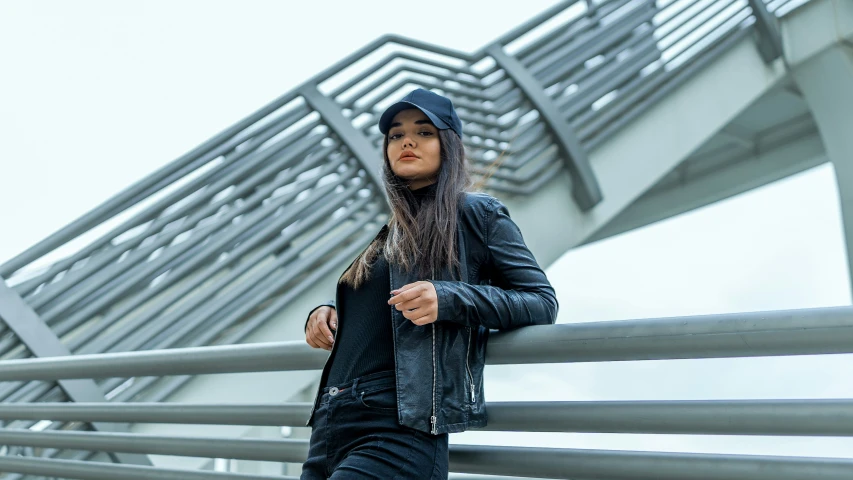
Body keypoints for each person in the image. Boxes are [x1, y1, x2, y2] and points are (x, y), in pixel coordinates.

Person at [300, 88, 557, 479]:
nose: (406, 141)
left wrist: (449, 297)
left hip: (398, 428)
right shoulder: (391, 231)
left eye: (424, 132)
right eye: (395, 134)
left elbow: (541, 302)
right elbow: (378, 317)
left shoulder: (476, 213)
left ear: (448, 145)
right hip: (332, 424)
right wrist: (328, 314)